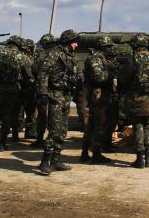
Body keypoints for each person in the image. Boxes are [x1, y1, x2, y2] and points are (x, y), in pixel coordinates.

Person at [35, 29, 81, 175]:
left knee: (62, 131)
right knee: (54, 130)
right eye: (74, 41)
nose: (76, 45)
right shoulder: (54, 54)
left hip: (66, 96)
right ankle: (45, 161)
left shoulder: (71, 56)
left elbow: (79, 73)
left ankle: (56, 160)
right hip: (55, 95)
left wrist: (78, 78)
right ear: (68, 41)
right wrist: (42, 93)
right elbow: (43, 73)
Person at [0, 37, 32, 151]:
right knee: (7, 117)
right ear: (18, 44)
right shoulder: (21, 57)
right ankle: (2, 144)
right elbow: (28, 76)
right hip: (12, 90)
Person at [119, 34, 149, 168]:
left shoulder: (133, 60)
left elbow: (123, 79)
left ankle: (139, 159)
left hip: (135, 100)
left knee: (138, 127)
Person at [82, 35, 117, 164]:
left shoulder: (101, 58)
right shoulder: (95, 59)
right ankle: (95, 154)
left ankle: (86, 153)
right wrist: (112, 74)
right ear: (103, 47)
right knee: (98, 125)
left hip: (100, 95)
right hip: (98, 96)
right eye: (108, 47)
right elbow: (98, 77)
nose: (110, 49)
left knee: (92, 125)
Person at [31, 36, 51, 147]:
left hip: (42, 90)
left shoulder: (40, 55)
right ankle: (51, 139)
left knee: (42, 115)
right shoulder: (59, 54)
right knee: (54, 116)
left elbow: (34, 69)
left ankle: (40, 139)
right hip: (56, 91)